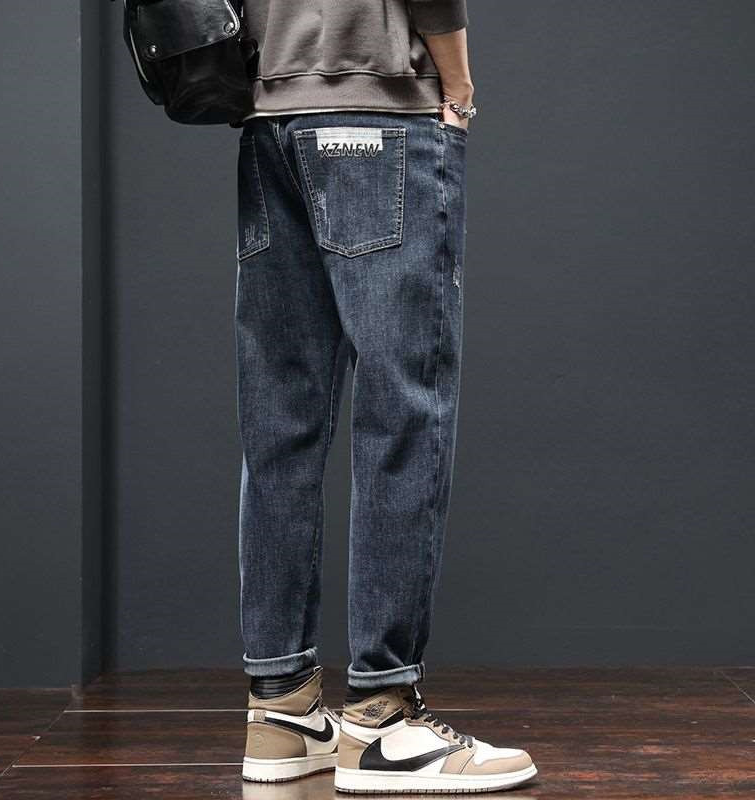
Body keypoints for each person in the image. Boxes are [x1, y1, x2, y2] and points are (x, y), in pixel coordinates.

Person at [234, 0, 536, 792]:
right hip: (379, 113)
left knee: (281, 423)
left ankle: (281, 712)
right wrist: (458, 86)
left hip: (271, 120)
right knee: (403, 411)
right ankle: (382, 722)